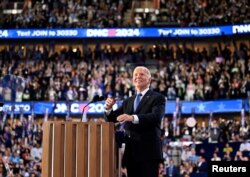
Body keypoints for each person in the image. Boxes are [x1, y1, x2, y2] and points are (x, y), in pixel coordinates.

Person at [105, 66, 166, 177]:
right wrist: (108, 109)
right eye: (135, 75)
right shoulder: (128, 100)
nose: (138, 76)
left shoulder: (158, 98)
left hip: (149, 152)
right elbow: (112, 119)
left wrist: (132, 118)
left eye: (142, 74)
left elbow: (156, 117)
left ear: (149, 79)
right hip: (131, 152)